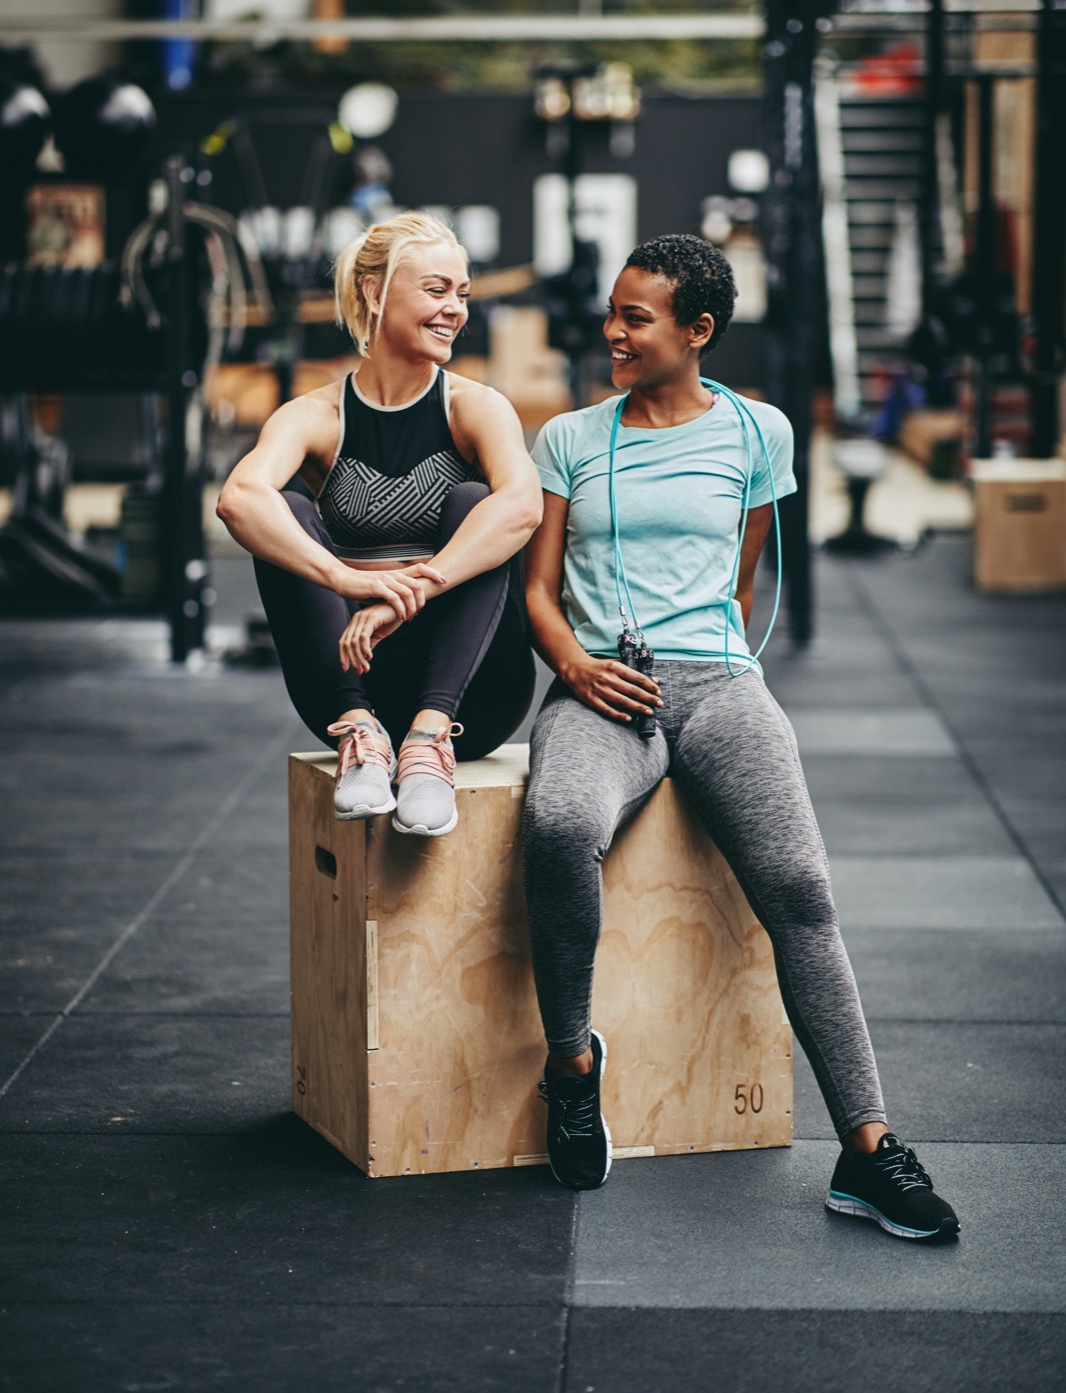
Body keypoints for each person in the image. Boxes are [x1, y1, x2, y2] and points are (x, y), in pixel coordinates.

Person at [522, 233, 959, 1242]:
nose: (613, 332)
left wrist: (710, 681)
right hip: (598, 686)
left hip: (718, 684)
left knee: (801, 888)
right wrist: (579, 669)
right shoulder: (572, 440)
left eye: (637, 317)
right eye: (614, 311)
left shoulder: (759, 433)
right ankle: (572, 1067)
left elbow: (738, 582)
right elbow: (536, 593)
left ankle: (865, 1149)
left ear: (697, 330)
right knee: (555, 823)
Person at [217, 211, 541, 836]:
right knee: (281, 510)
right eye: (437, 289)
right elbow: (238, 500)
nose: (456, 310)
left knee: (481, 500)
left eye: (463, 294)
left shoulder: (476, 408)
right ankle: (364, 738)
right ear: (374, 292)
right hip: (351, 682)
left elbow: (523, 506)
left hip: (472, 696)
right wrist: (347, 580)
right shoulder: (316, 415)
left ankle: (427, 745)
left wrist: (411, 591)